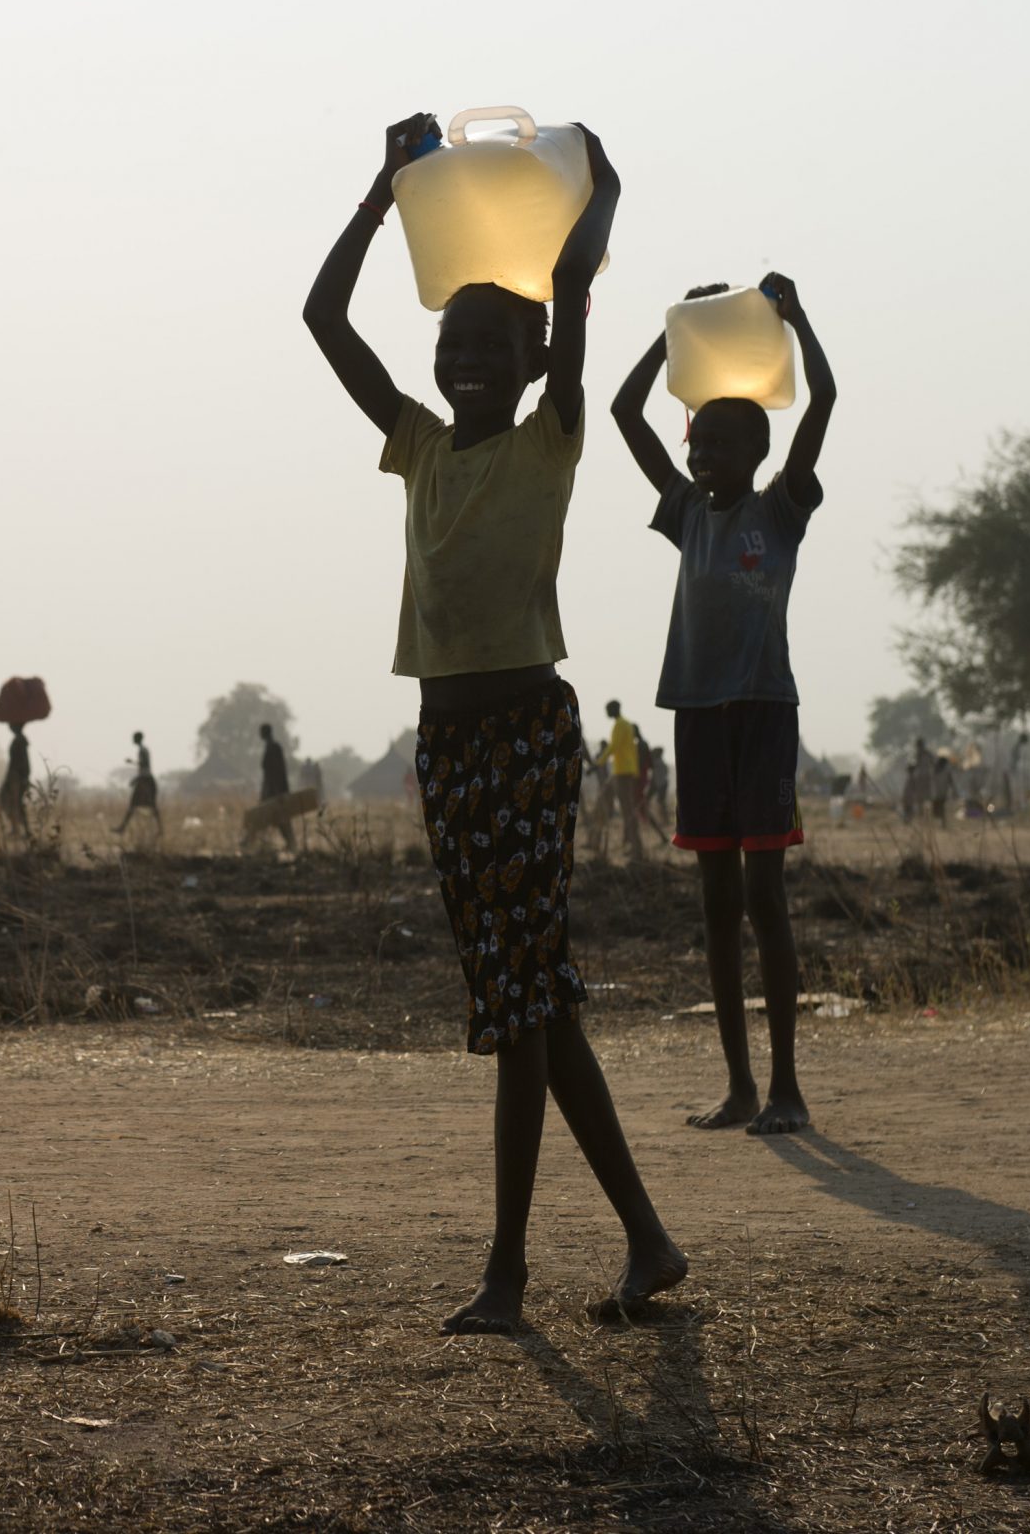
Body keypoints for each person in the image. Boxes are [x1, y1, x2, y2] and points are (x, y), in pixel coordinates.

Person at [304, 110, 681, 1333]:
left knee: (525, 1007)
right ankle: (628, 1244)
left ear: (528, 365)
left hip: (521, 737)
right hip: (449, 750)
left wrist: (592, 198)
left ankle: (519, 1272)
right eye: (452, 341)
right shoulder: (415, 447)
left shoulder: (551, 437)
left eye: (491, 344)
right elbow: (322, 323)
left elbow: (571, 290)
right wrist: (378, 195)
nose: (466, 357)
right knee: (525, 1005)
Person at [612, 273, 836, 1138]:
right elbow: (627, 415)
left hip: (763, 711)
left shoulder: (779, 511)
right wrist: (676, 337)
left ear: (755, 451)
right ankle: (739, 1086)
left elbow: (825, 401)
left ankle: (786, 1088)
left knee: (765, 899)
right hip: (698, 712)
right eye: (696, 439)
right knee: (714, 906)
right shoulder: (684, 515)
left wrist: (797, 317)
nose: (700, 454)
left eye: (716, 443)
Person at [597, 700, 648, 859]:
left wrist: (598, 763)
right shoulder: (625, 725)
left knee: (628, 811)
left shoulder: (621, 724)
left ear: (613, 709)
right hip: (621, 771)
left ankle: (637, 850)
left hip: (623, 773)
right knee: (602, 803)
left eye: (607, 709)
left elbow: (614, 746)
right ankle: (594, 842)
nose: (606, 712)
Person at [114, 730, 161, 838]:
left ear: (138, 739)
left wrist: (136, 776)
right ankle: (159, 829)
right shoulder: (143, 750)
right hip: (145, 779)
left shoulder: (142, 750)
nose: (133, 740)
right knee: (148, 806)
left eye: (134, 738)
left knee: (135, 805)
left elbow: (144, 765)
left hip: (144, 779)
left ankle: (122, 828)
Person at [259, 722, 297, 852]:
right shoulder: (271, 747)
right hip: (271, 790)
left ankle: (291, 844)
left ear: (264, 733)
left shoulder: (273, 748)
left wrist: (278, 791)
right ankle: (288, 844)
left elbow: (277, 771)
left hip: (274, 791)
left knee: (280, 818)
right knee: (274, 818)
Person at [0, 724, 32, 838]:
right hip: (14, 776)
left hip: (17, 777)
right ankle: (17, 828)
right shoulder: (19, 740)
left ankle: (23, 830)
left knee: (15, 803)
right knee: (10, 801)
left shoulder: (20, 741)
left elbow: (22, 763)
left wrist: (21, 778)